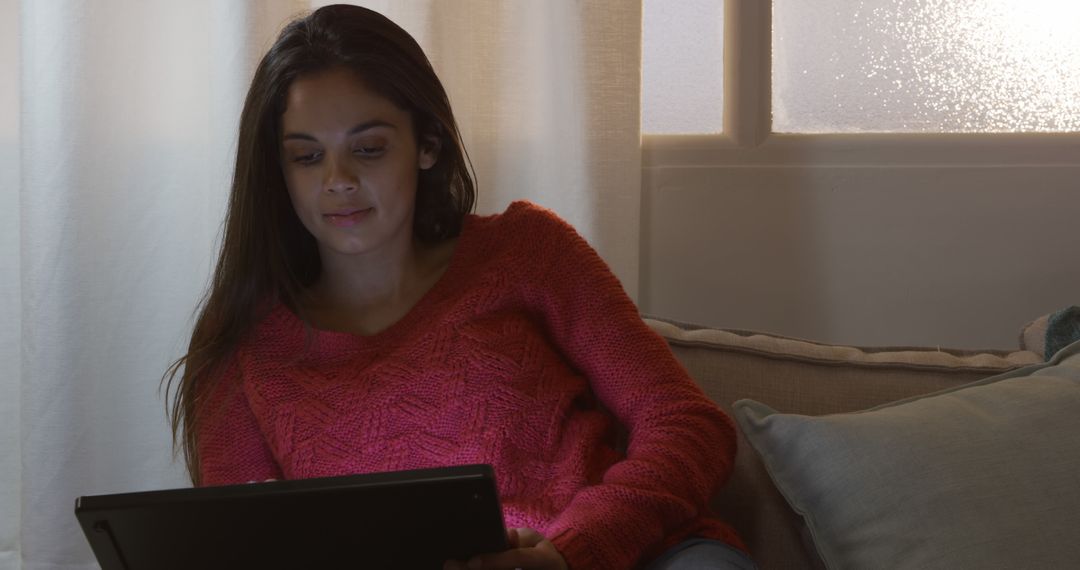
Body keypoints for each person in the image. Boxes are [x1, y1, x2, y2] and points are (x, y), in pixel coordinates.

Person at [164, 5, 755, 569]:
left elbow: (688, 424)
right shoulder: (240, 347)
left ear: (427, 146)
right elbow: (246, 548)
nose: (337, 181)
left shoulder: (529, 250)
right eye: (306, 156)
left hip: (638, 558)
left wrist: (573, 551)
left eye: (368, 149)